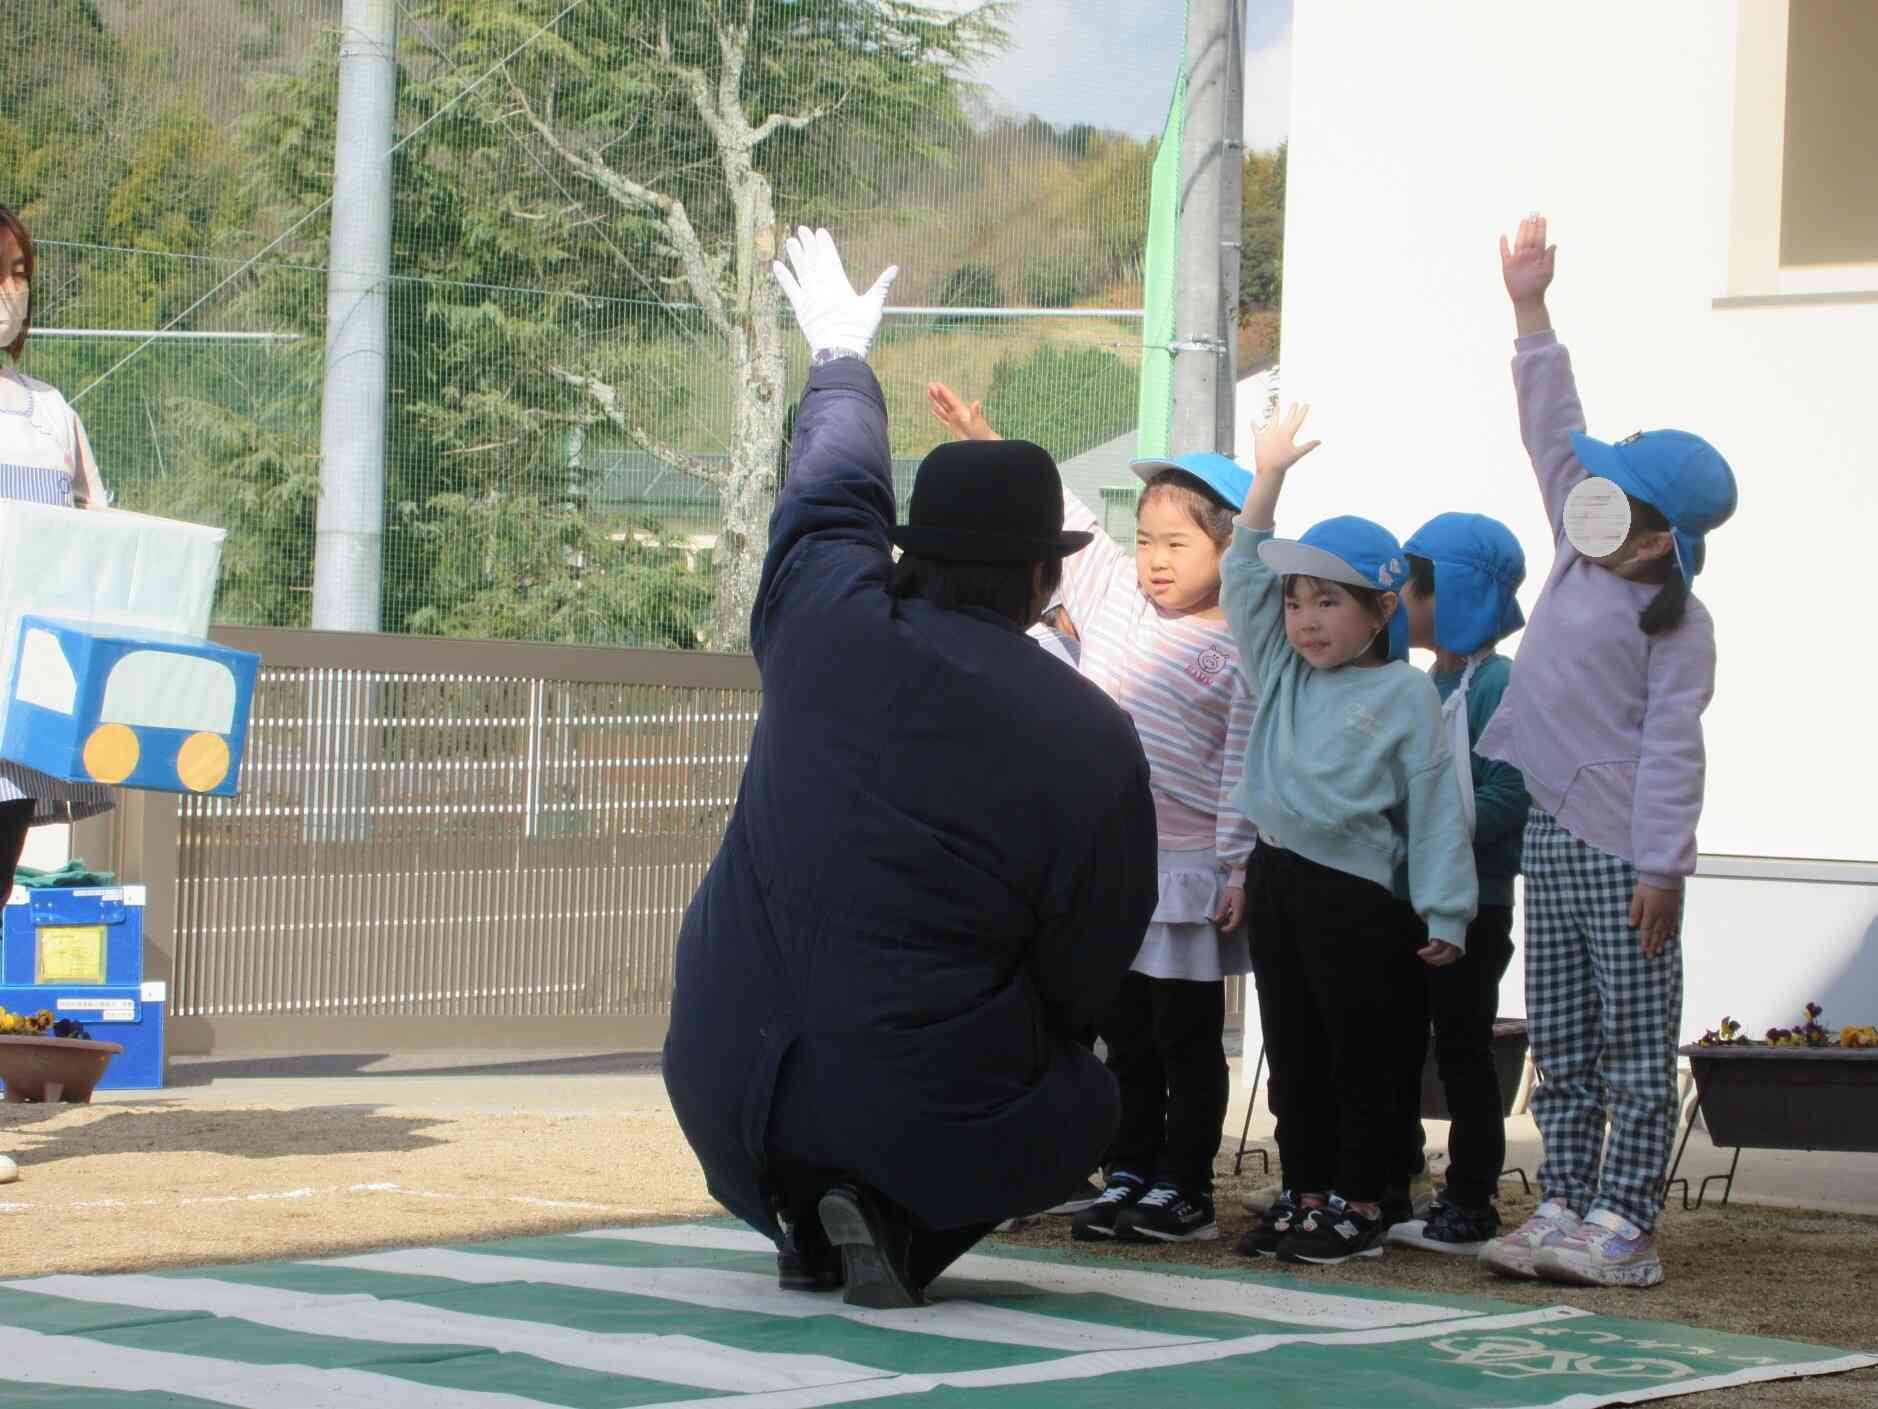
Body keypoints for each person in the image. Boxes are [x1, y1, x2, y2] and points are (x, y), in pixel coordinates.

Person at [662, 228, 1159, 1311]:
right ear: (1041, 578)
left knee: (832, 1016)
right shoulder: (1084, 727)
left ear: (911, 548)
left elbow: (830, 488)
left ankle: (802, 1216)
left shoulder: (823, 617)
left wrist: (841, 356)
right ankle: (899, 1221)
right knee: (1086, 1091)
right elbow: (1088, 964)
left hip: (718, 1081)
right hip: (917, 1104)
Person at [928, 383, 1257, 1245]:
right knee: (1127, 1037)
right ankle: (1131, 1172)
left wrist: (1236, 864)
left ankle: (1184, 1186)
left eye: (1177, 542)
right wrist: (984, 435)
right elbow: (1064, 510)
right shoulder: (1114, 597)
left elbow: (1240, 769)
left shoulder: (1241, 649)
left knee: (1186, 1039)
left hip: (1184, 871)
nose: (1154, 557)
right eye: (1146, 538)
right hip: (1107, 866)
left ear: (1230, 547)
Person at [1475, 215, 1735, 1289]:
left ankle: (1627, 1223)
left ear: (1661, 530)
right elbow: (1554, 429)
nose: (1591, 493)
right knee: (1564, 1041)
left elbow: (1676, 747)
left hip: (1626, 857)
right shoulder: (1578, 559)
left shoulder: (1678, 621)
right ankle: (1567, 1202)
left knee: (1635, 1044)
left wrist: (1664, 866)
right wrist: (1530, 307)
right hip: (1550, 832)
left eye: (1619, 494)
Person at [1221, 404, 1476, 1266]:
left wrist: (1445, 910)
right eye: (1298, 601)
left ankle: (1362, 1201)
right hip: (1278, 877)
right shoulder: (1279, 668)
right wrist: (1268, 480)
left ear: (1380, 607)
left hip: (1358, 895)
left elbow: (1436, 806)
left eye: (1329, 600)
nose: (1306, 619)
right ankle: (1305, 1192)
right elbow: (1241, 583)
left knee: (1360, 1053)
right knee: (1291, 1048)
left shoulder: (1407, 695)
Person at [1385, 512, 1531, 1255]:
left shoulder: (1500, 683)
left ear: (1456, 595)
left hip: (1477, 900)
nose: (1399, 601)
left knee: (1465, 1049)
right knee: (1397, 1042)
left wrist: (1428, 821)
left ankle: (1471, 1197)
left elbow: (1510, 795)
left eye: (1410, 587)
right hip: (1409, 895)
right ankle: (1397, 1180)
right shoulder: (1422, 681)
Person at [0, 205, 116, 894]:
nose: (11, 293)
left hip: (24, 699)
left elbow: (98, 536)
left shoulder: (50, 413)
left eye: (18, 276)